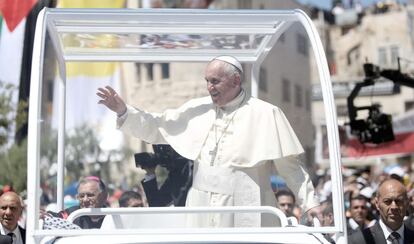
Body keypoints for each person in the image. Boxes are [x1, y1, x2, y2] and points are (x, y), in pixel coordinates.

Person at [97, 55, 319, 227]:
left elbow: (291, 169)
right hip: (201, 204)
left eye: (215, 81)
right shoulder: (197, 109)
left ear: (236, 80)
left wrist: (311, 205)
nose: (209, 87)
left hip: (246, 205)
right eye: (207, 81)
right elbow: (157, 127)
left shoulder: (266, 113)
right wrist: (124, 111)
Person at [348, 178, 414, 244]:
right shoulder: (359, 240)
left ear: (407, 203)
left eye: (399, 201)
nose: (394, 207)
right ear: (377, 203)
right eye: (387, 201)